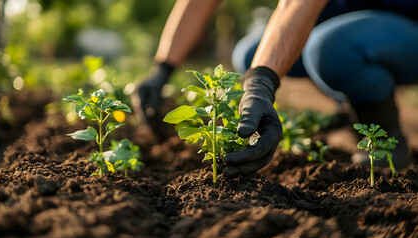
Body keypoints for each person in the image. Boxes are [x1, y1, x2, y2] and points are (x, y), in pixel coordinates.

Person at [134, 0, 418, 177]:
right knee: (250, 53)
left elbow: (296, 5)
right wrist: (163, 69)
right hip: (347, 20)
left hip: (406, 22)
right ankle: (354, 103)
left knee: (331, 49)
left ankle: (384, 138)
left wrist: (261, 84)